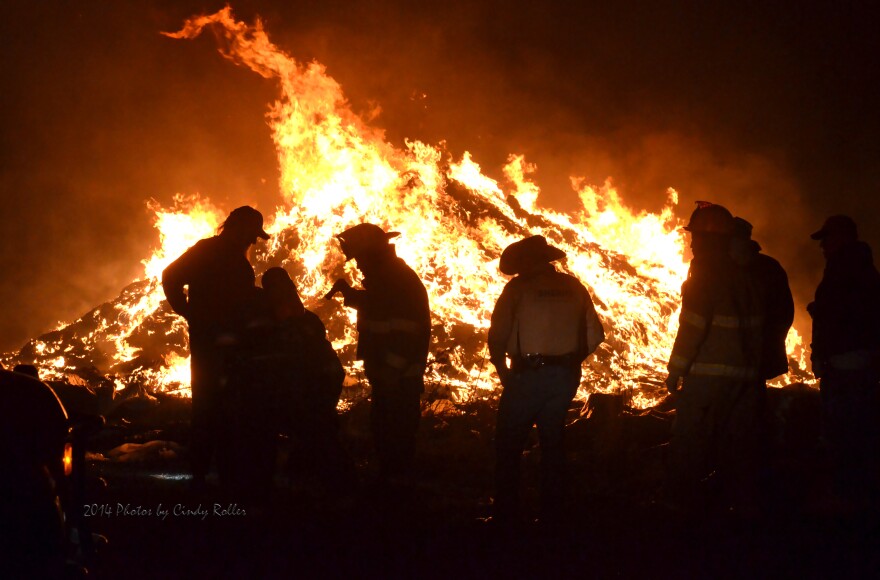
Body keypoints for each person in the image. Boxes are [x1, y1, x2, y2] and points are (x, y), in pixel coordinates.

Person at [488, 234, 605, 522]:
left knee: (509, 443)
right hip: (565, 377)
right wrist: (569, 362)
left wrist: (503, 370)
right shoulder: (574, 287)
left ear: (527, 263)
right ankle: (553, 511)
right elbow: (596, 335)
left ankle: (506, 512)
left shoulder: (517, 290)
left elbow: (498, 334)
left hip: (527, 376)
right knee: (553, 441)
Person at [665, 203, 766, 515]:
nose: (692, 242)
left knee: (689, 439)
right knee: (733, 443)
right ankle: (733, 508)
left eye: (695, 236)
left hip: (708, 375)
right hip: (743, 376)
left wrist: (676, 369)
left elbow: (692, 328)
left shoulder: (705, 277)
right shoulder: (744, 277)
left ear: (709, 239)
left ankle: (681, 511)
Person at [161, 205, 269, 490]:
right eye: (252, 235)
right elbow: (170, 275)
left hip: (229, 343)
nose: (254, 241)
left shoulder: (232, 256)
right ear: (239, 228)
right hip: (213, 344)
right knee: (213, 404)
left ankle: (219, 472)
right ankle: (209, 473)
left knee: (222, 405)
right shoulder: (208, 251)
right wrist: (185, 311)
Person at [230, 267, 352, 493]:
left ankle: (328, 486)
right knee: (272, 438)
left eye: (285, 293)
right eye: (276, 293)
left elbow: (327, 366)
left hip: (304, 394)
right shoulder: (267, 325)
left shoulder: (300, 324)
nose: (283, 299)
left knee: (317, 435)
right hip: (285, 395)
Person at [325, 223, 431, 484]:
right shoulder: (387, 278)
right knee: (385, 435)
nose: (358, 265)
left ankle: (396, 502)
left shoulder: (396, 279)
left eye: (360, 258)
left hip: (398, 376)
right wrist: (349, 293)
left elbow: (409, 328)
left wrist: (392, 369)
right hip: (389, 374)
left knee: (395, 438)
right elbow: (381, 306)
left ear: (372, 253)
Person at [807, 215, 880, 505]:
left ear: (842, 238)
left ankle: (845, 499)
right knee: (860, 427)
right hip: (861, 361)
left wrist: (819, 313)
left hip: (845, 363)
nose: (822, 245)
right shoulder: (864, 269)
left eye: (827, 238)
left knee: (843, 430)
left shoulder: (844, 270)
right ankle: (858, 495)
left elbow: (838, 316)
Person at [729, 217, 795, 381]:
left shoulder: (764, 269)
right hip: (749, 360)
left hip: (750, 359)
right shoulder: (770, 266)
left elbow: (783, 314)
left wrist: (766, 347)